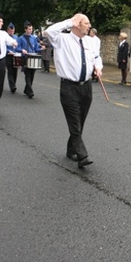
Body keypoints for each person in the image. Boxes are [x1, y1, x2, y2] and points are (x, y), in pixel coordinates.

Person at [44, 13, 103, 169]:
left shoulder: (91, 41)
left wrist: (99, 67)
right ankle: (82, 155)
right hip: (69, 87)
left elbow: (97, 57)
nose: (89, 26)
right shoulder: (62, 40)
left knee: (80, 120)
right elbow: (49, 32)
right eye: (86, 23)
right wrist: (69, 21)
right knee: (74, 121)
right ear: (77, 24)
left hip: (86, 86)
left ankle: (71, 150)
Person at [17, 21, 42, 99]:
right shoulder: (21, 38)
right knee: (27, 75)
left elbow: (36, 48)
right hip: (25, 58)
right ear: (25, 29)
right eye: (29, 29)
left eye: (31, 29)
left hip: (33, 57)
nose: (30, 30)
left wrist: (41, 48)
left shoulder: (34, 38)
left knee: (32, 75)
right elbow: (17, 48)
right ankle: (30, 92)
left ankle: (26, 90)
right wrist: (22, 50)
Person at [4, 23, 21, 93]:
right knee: (10, 71)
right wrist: (8, 51)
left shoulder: (16, 37)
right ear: (8, 30)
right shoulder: (5, 37)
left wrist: (20, 51)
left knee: (15, 71)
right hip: (8, 56)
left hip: (15, 55)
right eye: (10, 31)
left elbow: (18, 47)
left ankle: (14, 83)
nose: (12, 32)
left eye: (13, 31)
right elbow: (4, 47)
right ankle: (12, 86)